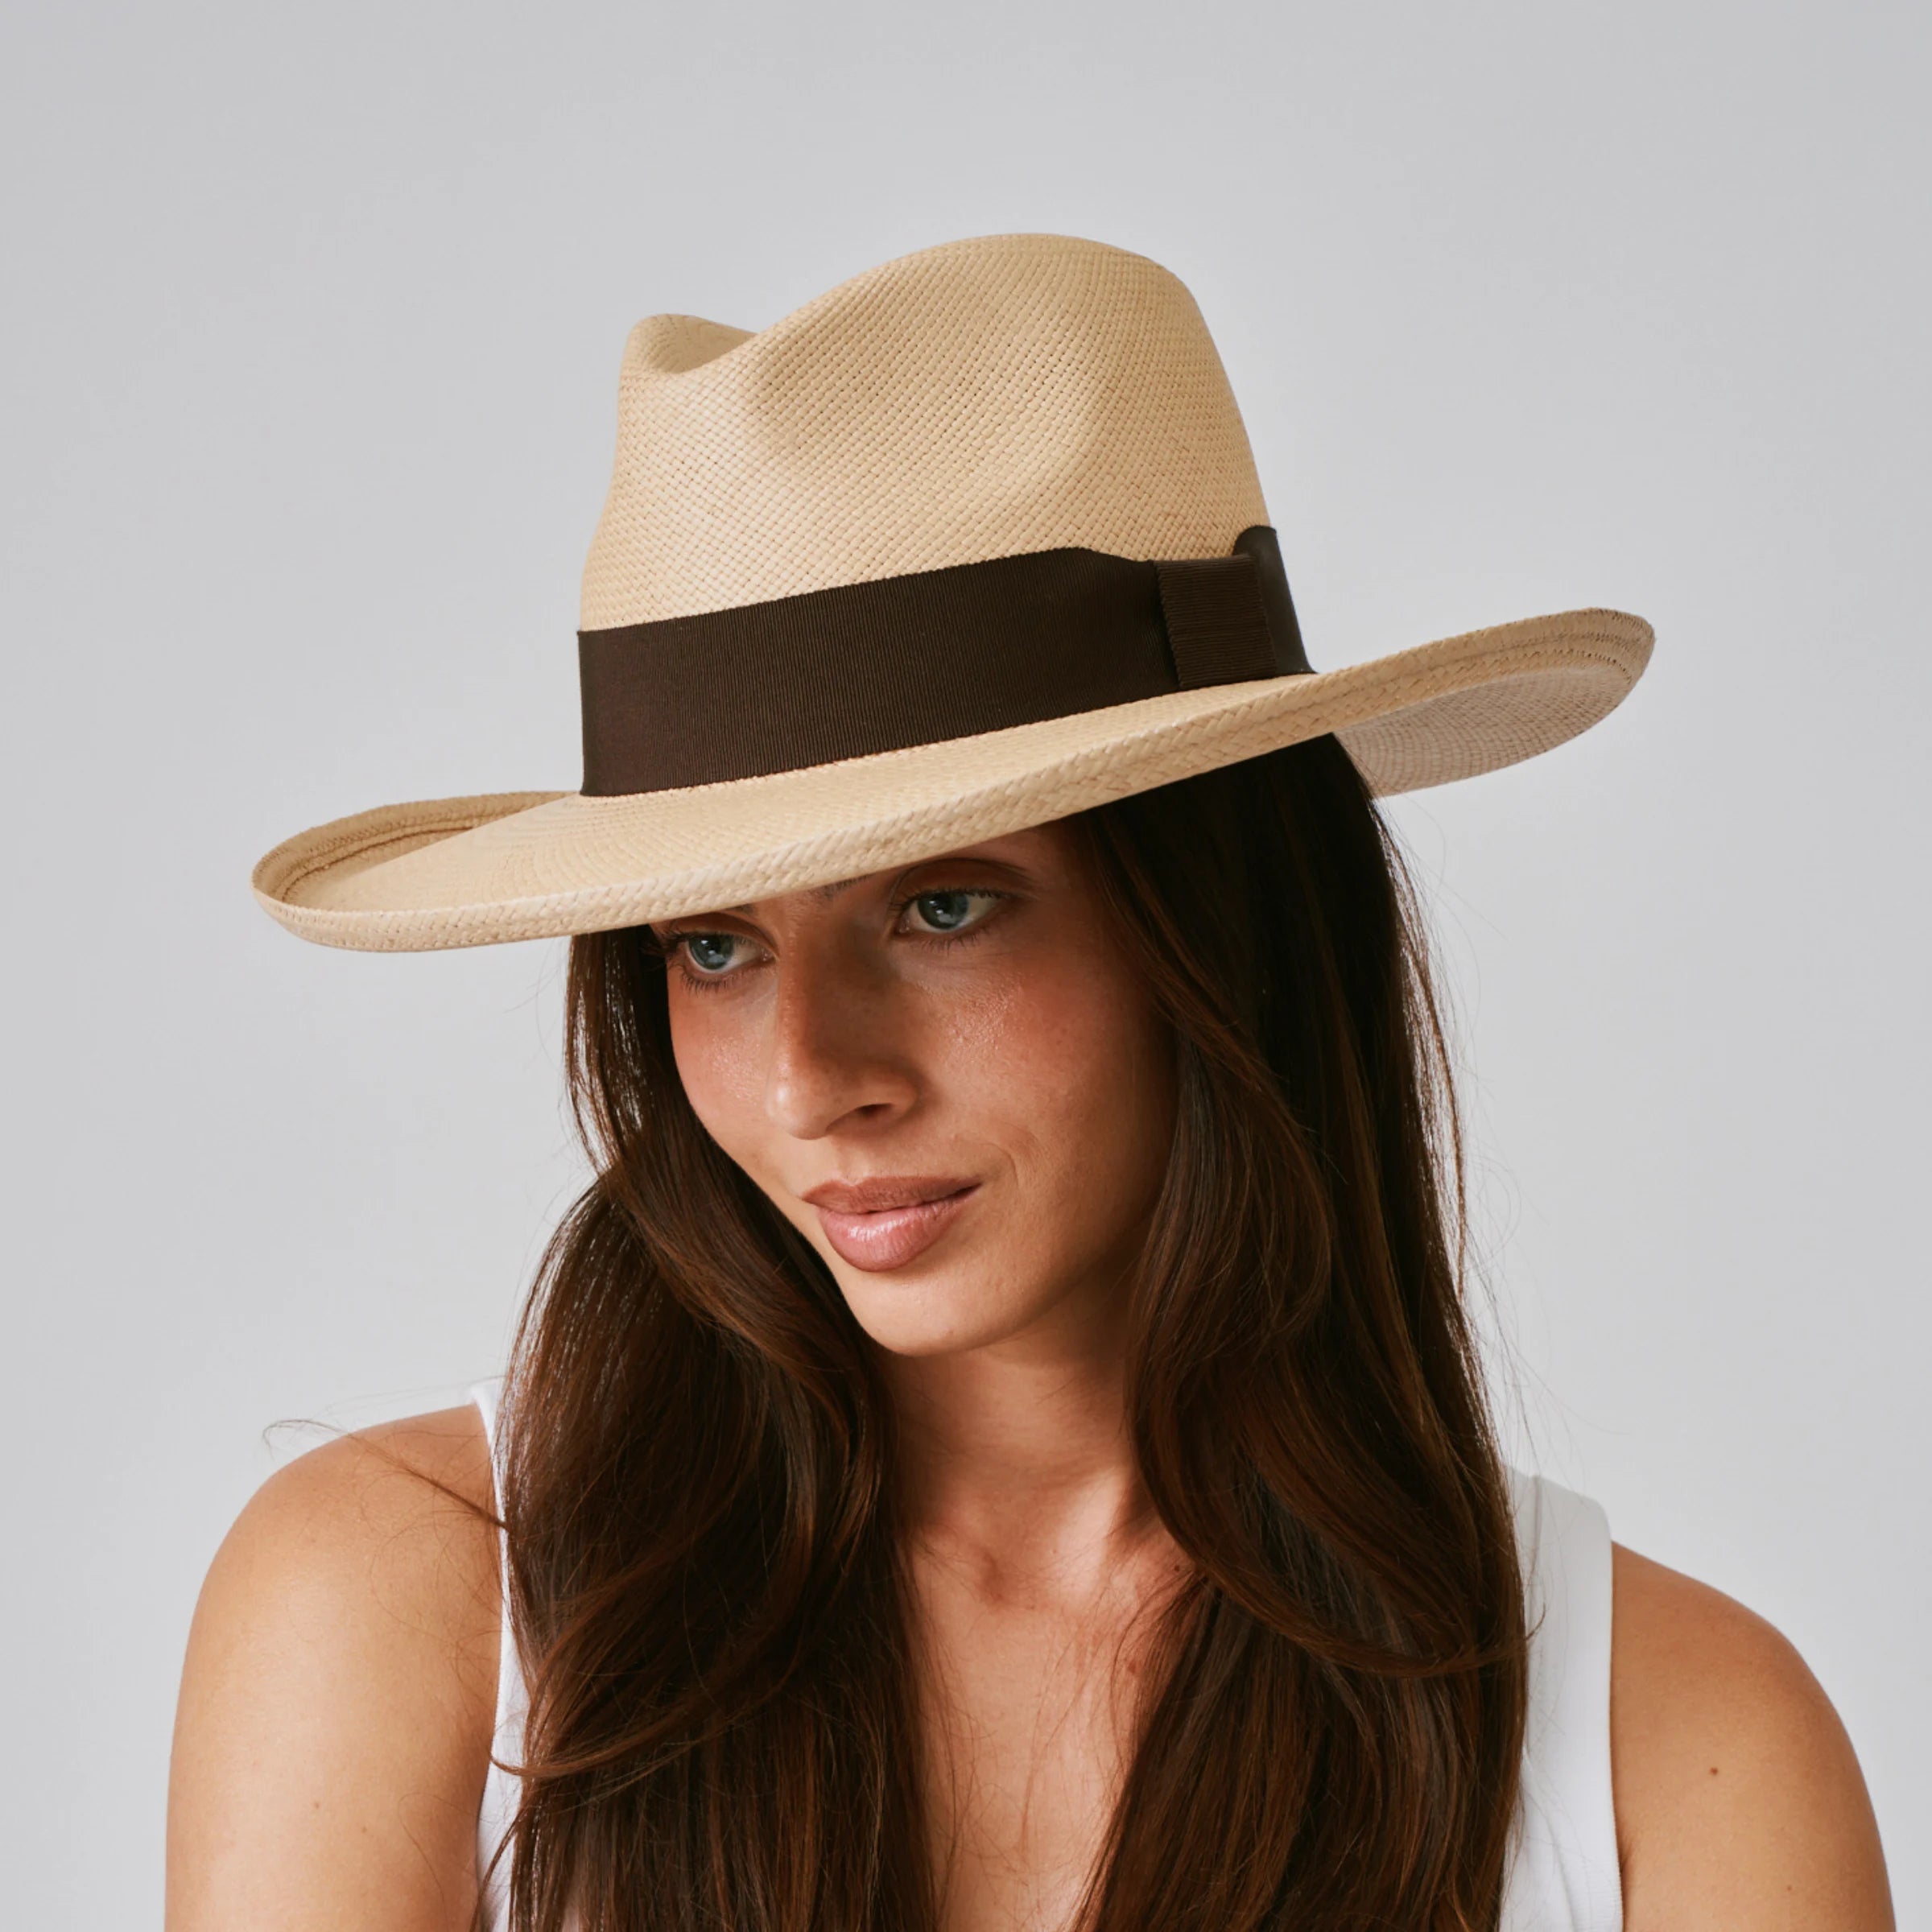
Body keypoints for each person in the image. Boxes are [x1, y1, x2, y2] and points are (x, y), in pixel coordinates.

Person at [168, 234, 1893, 1931]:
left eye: (942, 906)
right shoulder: (400, 1614)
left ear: (1225, 928)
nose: (811, 1075)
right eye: (711, 945)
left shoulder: (1672, 1748)